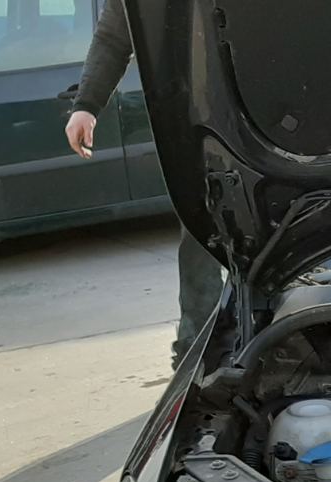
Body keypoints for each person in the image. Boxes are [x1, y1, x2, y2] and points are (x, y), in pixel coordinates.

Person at [63, 0, 223, 367]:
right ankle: (199, 347)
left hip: (264, 114)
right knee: (201, 232)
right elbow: (113, 37)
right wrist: (86, 105)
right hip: (193, 119)